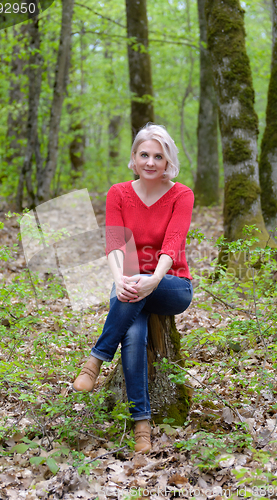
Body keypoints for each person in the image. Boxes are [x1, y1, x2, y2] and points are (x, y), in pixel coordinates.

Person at [73, 123, 194, 453]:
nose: (151, 162)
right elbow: (113, 242)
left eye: (159, 156)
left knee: (140, 294)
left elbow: (173, 243)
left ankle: (95, 360)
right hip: (127, 283)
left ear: (168, 160)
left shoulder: (181, 194)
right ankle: (142, 425)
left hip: (170, 285)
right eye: (145, 155)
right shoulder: (119, 193)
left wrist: (153, 279)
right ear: (134, 157)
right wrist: (119, 278)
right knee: (135, 333)